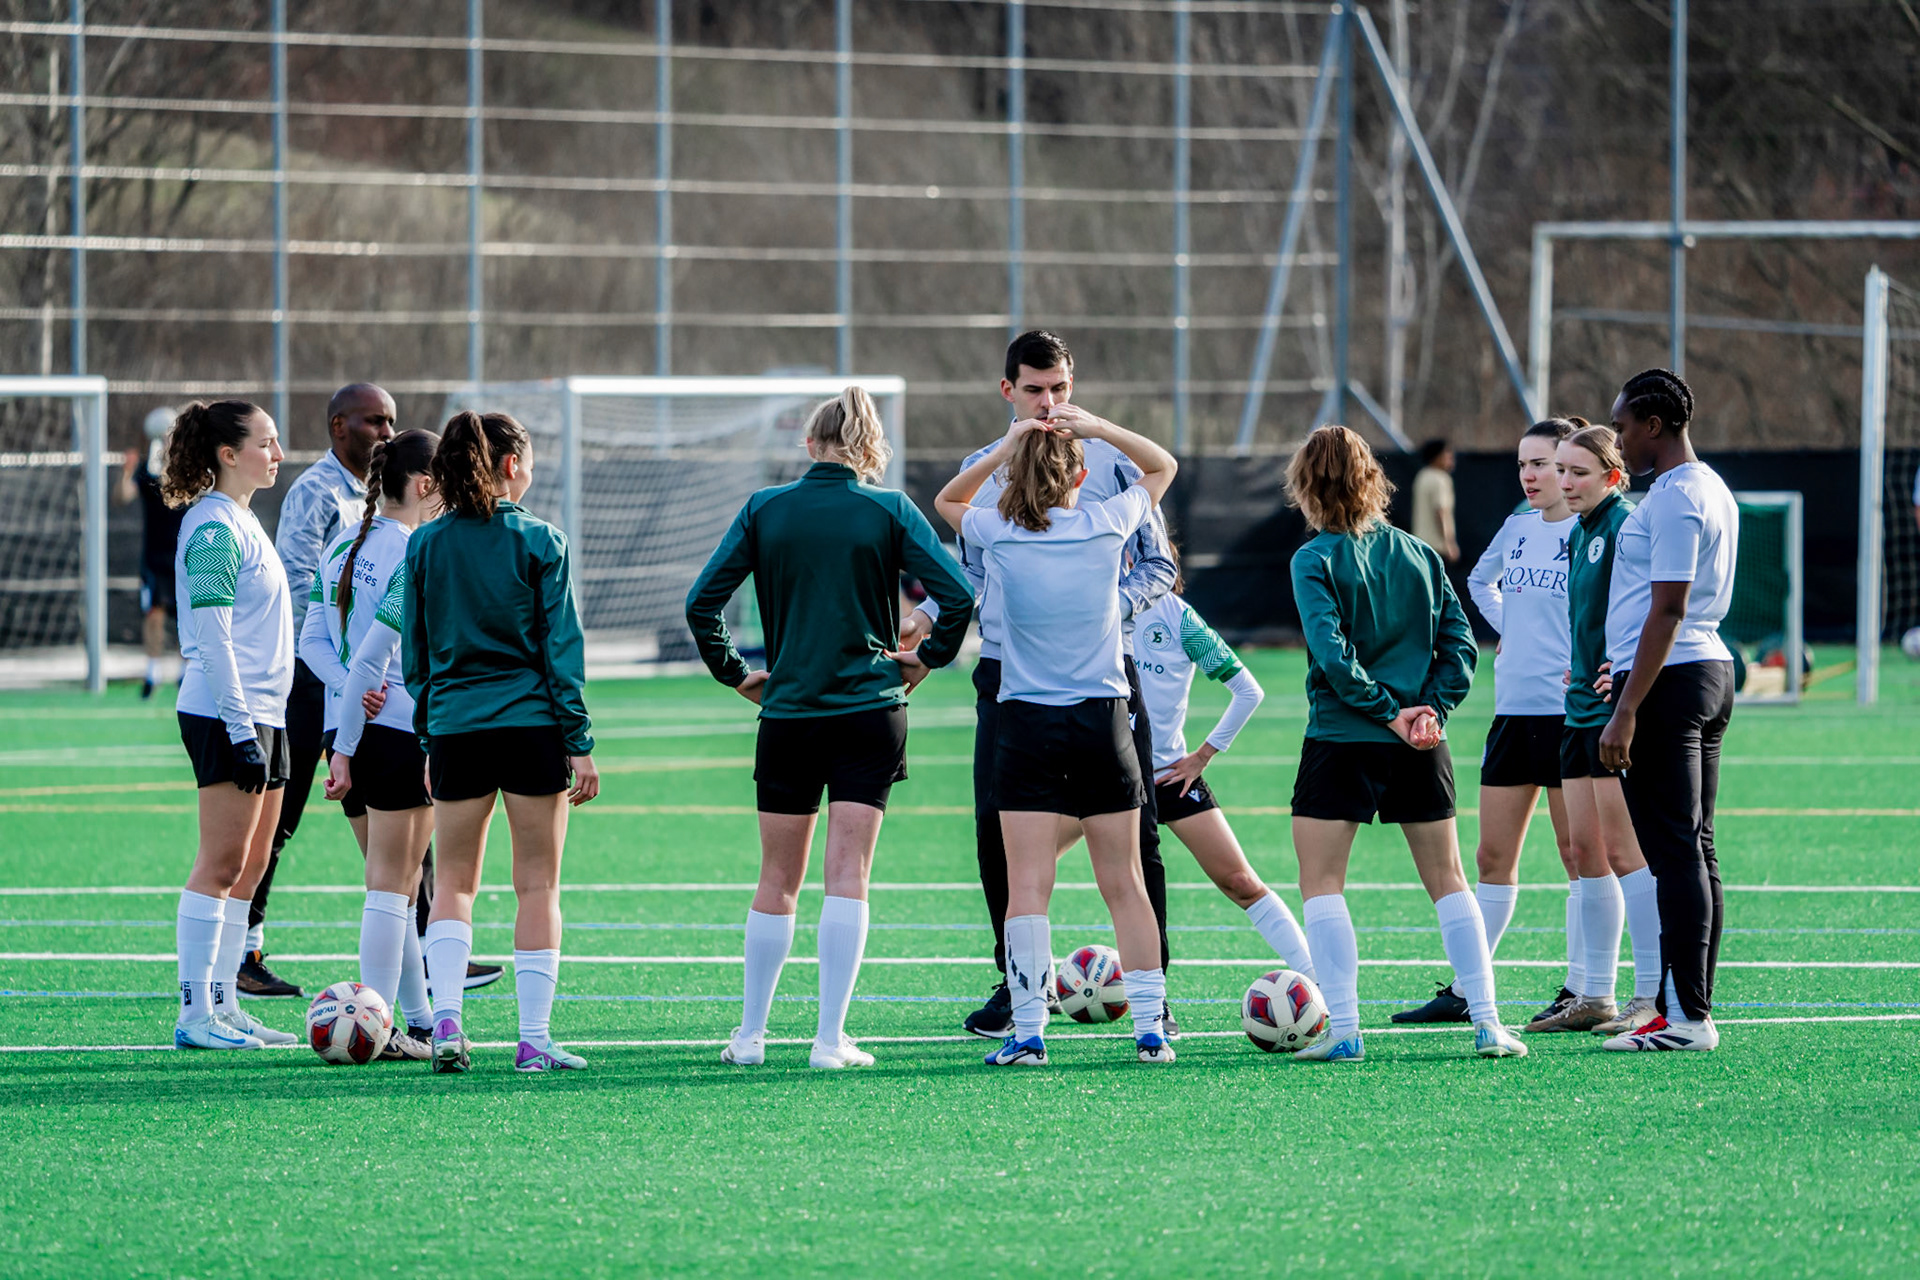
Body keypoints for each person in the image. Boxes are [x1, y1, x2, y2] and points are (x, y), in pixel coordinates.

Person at [901, 330, 1179, 1041]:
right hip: (1015, 681)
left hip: (1100, 675)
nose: (1051, 403)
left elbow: (1158, 568)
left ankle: (1144, 1002)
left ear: (1071, 385)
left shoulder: (1106, 465)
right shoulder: (992, 477)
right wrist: (928, 626)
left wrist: (1102, 610)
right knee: (997, 836)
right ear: (1009, 392)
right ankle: (1021, 989)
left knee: (1133, 847)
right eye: (1035, 391)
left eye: (1059, 388)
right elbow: (966, 577)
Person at [686, 388, 974, 1070]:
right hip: (871, 713)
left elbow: (702, 604)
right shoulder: (890, 508)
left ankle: (751, 1036)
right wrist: (926, 659)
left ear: (810, 444)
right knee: (849, 874)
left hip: (789, 714)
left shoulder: (765, 507)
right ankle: (828, 1041)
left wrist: (736, 673)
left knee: (776, 879)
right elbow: (958, 595)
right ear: (870, 449)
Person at [1284, 425, 1525, 1063]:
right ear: (1372, 481)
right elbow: (1462, 644)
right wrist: (1431, 713)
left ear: (1306, 486)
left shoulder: (1313, 559)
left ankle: (1345, 1033)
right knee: (1449, 882)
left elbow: (1332, 658)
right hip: (1421, 741)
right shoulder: (1419, 554)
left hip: (1342, 738)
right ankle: (1489, 1023)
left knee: (1322, 885)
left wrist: (1391, 714)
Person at [405, 410, 600, 1073]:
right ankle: (533, 1039)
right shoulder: (542, 540)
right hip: (531, 728)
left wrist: (429, 735)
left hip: (457, 728)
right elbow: (562, 653)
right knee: (537, 886)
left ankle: (449, 1026)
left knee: (454, 884)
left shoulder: (425, 545)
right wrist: (579, 741)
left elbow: (417, 657)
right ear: (511, 465)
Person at [1394, 419, 1582, 1029]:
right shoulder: (1518, 527)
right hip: (1513, 713)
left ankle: (1583, 988)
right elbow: (1480, 580)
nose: (1530, 475)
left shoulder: (1590, 531)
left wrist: (1583, 654)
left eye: (1544, 463)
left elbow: (1615, 607)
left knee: (1577, 854)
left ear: (1571, 467)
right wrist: (1511, 627)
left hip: (1567, 715)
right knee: (1491, 856)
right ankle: (1467, 987)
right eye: (1523, 464)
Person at [1597, 369, 1739, 1053]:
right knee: (1694, 846)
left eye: (1623, 425)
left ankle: (1688, 1018)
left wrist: (1627, 708)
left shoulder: (1681, 496)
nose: (1618, 438)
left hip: (1674, 680)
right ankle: (1682, 1007)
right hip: (1697, 671)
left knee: (1676, 853)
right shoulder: (1703, 486)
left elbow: (1671, 607)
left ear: (1654, 426)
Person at [239, 382, 392, 1000]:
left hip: (368, 677)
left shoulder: (382, 494)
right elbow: (298, 581)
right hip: (312, 677)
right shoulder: (316, 491)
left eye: (391, 422)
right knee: (280, 813)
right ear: (338, 427)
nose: (385, 432)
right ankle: (245, 949)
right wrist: (336, 657)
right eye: (373, 421)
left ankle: (434, 941)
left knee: (390, 803)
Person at [297, 429, 442, 1061]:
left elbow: (313, 646)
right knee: (392, 885)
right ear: (425, 485)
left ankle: (418, 1018)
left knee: (396, 885)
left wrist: (348, 717)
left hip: (351, 728)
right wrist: (365, 700)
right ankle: (376, 1028)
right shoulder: (414, 553)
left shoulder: (339, 550)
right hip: (395, 732)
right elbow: (372, 659)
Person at [164, 400, 299, 1050]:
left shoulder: (244, 519)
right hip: (226, 714)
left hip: (265, 715)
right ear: (227, 453)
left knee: (249, 868)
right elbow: (213, 639)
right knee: (218, 865)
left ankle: (226, 1006)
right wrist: (242, 729)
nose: (277, 454)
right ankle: (194, 1015)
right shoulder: (215, 526)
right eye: (266, 443)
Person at [1131, 569, 1315, 977]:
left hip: (1168, 777)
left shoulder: (1179, 619)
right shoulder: (1095, 608)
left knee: (1239, 880)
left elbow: (1248, 690)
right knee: (1031, 873)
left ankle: (1321, 983)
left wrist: (1203, 755)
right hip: (1108, 779)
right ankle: (1030, 989)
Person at [1554, 424, 1662, 1036]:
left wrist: (1621, 672)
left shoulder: (1626, 525)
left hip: (1610, 713)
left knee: (1626, 854)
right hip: (1575, 710)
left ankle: (1651, 995)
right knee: (1582, 854)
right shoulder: (1579, 533)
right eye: (1560, 470)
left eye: (1578, 473)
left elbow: (1659, 601)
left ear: (1613, 478)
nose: (1565, 483)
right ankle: (1596, 995)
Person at [114, 406, 186, 699]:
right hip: (154, 557)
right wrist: (127, 471)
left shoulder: (185, 472)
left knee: (186, 618)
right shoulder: (146, 470)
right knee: (153, 614)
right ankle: (152, 673)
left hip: (183, 557)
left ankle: (185, 674)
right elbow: (122, 497)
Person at [1410, 438, 1459, 565]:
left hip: (1419, 544)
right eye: (1447, 454)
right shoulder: (1440, 479)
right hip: (1437, 548)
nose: (1451, 458)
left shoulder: (1422, 476)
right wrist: (1450, 544)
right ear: (1437, 457)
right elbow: (1441, 512)